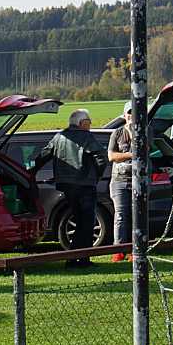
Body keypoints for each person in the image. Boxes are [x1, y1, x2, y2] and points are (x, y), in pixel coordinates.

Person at [34, 108, 109, 266]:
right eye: (88, 121)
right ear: (81, 123)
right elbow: (101, 157)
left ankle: (73, 257)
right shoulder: (86, 137)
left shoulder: (59, 137)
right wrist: (97, 175)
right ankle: (81, 258)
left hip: (66, 186)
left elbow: (42, 156)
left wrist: (31, 172)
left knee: (78, 219)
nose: (90, 124)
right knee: (87, 222)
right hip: (85, 185)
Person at [108, 102, 137, 263]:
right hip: (119, 181)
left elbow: (144, 150)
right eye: (129, 113)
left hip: (138, 181)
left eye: (134, 112)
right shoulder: (117, 133)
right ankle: (118, 250)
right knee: (120, 215)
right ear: (124, 115)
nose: (131, 115)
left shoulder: (145, 131)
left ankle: (135, 250)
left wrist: (132, 132)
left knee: (136, 215)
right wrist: (131, 155)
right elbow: (112, 156)